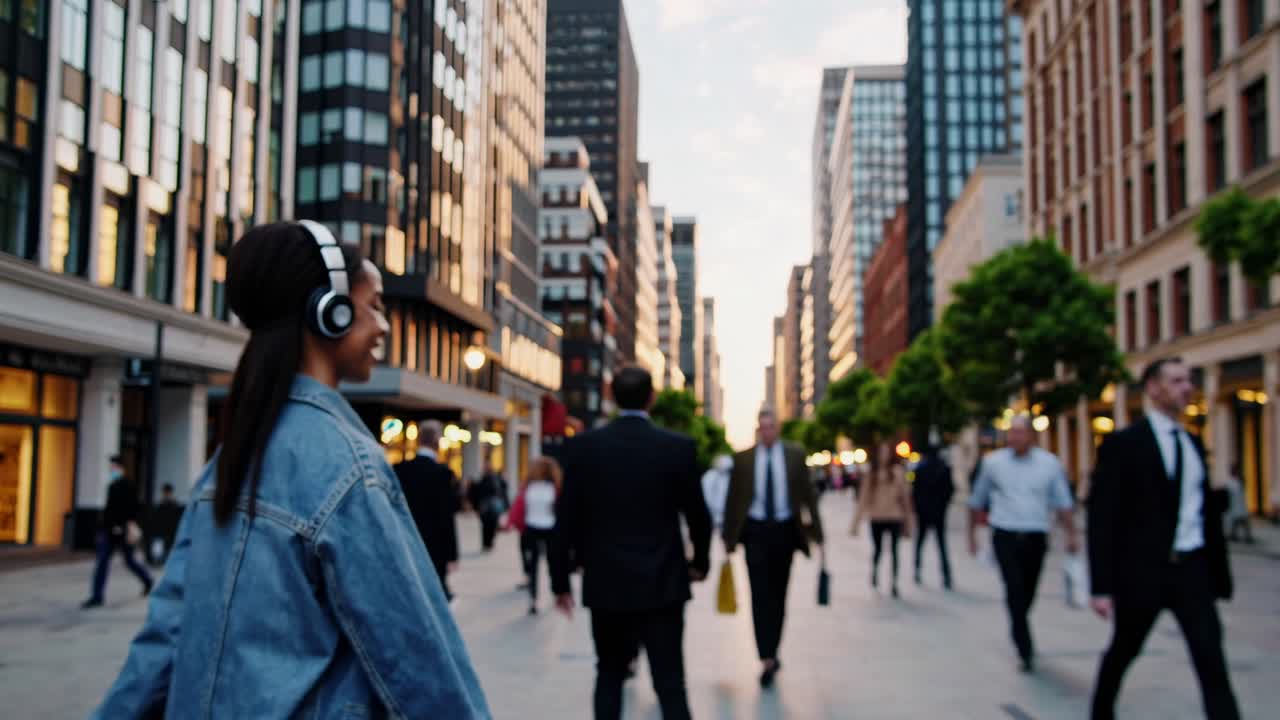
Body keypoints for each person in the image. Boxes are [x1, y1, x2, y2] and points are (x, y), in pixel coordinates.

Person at [91, 221, 489, 718]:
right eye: (375, 308)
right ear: (331, 312)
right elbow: (414, 657)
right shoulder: (349, 466)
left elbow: (166, 635)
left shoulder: (230, 458)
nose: (383, 327)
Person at [552, 366, 711, 720]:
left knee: (608, 675)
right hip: (664, 584)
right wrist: (699, 563)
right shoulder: (678, 448)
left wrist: (559, 581)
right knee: (671, 683)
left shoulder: (584, 448)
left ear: (609, 396)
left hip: (607, 585)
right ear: (652, 398)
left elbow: (565, 520)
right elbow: (699, 518)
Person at [1088, 358, 1239, 719]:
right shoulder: (1124, 445)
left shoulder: (1192, 442)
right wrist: (1101, 586)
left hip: (1192, 571)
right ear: (1153, 389)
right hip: (1144, 573)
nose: (1187, 387)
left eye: (1188, 380)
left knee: (1211, 660)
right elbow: (1103, 518)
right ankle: (1101, 712)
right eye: (1176, 381)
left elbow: (1196, 509)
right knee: (1124, 650)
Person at [723, 407, 825, 688]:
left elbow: (808, 497)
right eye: (763, 427)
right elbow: (734, 499)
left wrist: (818, 534)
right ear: (758, 429)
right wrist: (728, 538)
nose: (767, 431)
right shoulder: (743, 459)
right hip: (755, 533)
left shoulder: (794, 455)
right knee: (759, 594)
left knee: (779, 595)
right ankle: (765, 655)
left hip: (784, 532)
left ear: (777, 429)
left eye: (771, 426)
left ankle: (774, 648)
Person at [967, 414, 1078, 673]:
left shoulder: (1049, 464)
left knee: (1028, 591)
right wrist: (972, 536)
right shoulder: (993, 463)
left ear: (1032, 435)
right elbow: (977, 500)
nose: (1014, 437)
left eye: (1020, 432)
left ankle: (1019, 622)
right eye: (1011, 432)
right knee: (1014, 588)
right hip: (1005, 534)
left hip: (1035, 535)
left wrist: (1073, 534)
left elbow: (1063, 502)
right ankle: (1024, 646)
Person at [395, 420, 462, 602]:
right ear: (437, 442)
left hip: (406, 540)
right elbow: (447, 515)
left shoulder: (400, 469)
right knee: (435, 594)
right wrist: (452, 553)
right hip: (435, 545)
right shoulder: (442, 473)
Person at [82, 456, 153, 608]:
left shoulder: (126, 486)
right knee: (103, 562)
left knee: (127, 560)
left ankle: (147, 580)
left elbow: (132, 508)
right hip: (109, 530)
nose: (111, 470)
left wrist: (123, 525)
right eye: (111, 468)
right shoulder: (113, 485)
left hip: (121, 530)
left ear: (121, 468)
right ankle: (97, 596)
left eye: (113, 467)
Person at [851, 447, 914, 598]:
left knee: (894, 551)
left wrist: (908, 522)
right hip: (877, 517)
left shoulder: (898, 472)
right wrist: (855, 524)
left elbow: (905, 499)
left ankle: (894, 582)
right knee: (878, 550)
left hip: (894, 517)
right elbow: (863, 499)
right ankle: (875, 574)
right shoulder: (871, 474)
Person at [508, 456, 562, 614]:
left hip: (545, 528)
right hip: (535, 528)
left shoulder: (551, 488)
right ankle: (535, 598)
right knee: (535, 564)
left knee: (549, 563)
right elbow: (519, 507)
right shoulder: (532, 487)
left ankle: (550, 593)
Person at [912, 445, 955, 589]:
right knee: (941, 545)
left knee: (920, 543)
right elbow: (950, 491)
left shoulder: (921, 469)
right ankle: (946, 575)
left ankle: (917, 570)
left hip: (924, 512)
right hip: (938, 512)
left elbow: (915, 492)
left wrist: (918, 508)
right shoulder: (944, 468)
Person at [468, 458, 509, 552]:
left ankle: (488, 543)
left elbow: (502, 492)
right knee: (486, 525)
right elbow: (476, 492)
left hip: (491, 506)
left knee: (491, 525)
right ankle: (486, 543)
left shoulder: (495, 478)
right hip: (485, 506)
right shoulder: (482, 479)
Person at [147, 483, 184, 566]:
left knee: (167, 548)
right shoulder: (163, 505)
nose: (166, 494)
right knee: (161, 548)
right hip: (163, 531)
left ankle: (163, 561)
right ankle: (160, 561)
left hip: (169, 531)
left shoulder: (172, 505)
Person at [1223, 464, 1253, 543]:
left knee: (1243, 521)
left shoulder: (1239, 481)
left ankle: (1246, 536)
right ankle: (1235, 535)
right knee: (1236, 521)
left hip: (1240, 505)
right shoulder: (1230, 482)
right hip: (1234, 506)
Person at [701, 454, 733, 528]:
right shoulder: (711, 475)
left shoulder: (729, 476)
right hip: (713, 510)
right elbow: (706, 492)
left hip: (725, 511)